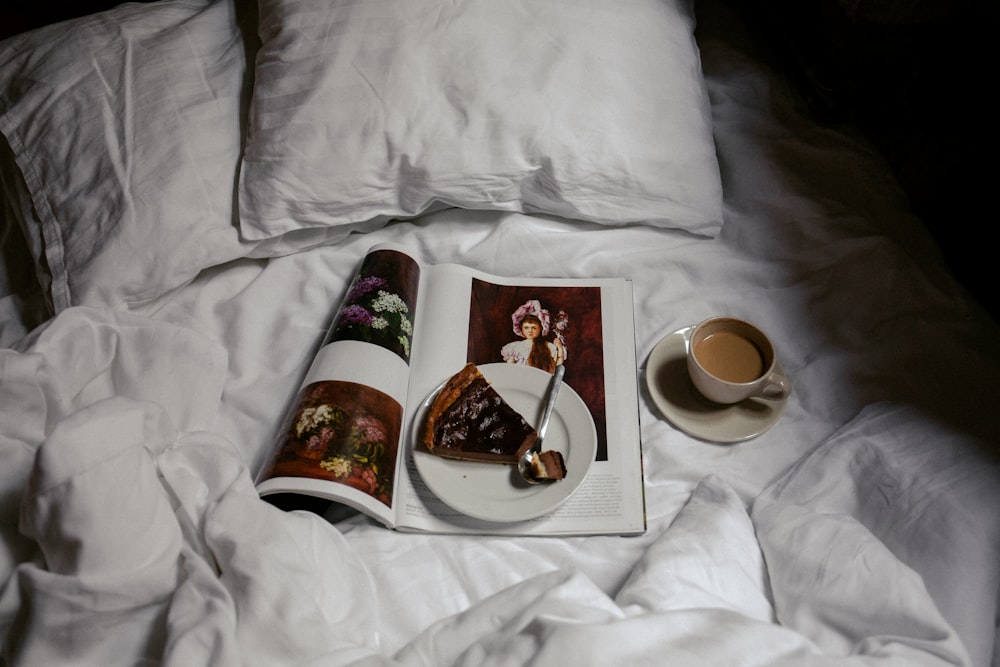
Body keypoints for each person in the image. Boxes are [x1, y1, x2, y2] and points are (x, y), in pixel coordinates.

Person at [501, 300, 567, 372]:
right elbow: (509, 368)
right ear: (521, 328)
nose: (530, 331)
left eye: (534, 328)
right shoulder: (515, 347)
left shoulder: (547, 346)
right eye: (526, 328)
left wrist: (560, 348)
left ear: (541, 328)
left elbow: (556, 367)